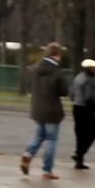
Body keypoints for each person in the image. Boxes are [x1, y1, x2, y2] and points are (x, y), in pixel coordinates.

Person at [20, 42, 69, 180]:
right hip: (52, 110)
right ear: (57, 55)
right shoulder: (58, 72)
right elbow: (64, 92)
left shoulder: (34, 69)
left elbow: (28, 86)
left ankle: (28, 155)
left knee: (39, 136)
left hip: (37, 109)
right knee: (51, 139)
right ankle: (47, 170)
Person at [70, 58, 95, 170]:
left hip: (76, 107)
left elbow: (72, 93)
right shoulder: (89, 80)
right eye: (94, 68)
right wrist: (94, 107)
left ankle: (79, 160)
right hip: (86, 109)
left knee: (80, 134)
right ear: (90, 69)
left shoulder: (77, 77)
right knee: (92, 133)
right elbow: (89, 97)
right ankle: (79, 154)